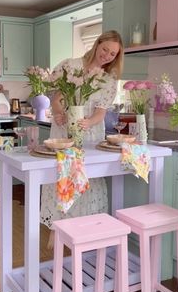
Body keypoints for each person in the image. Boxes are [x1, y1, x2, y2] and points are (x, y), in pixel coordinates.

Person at [40, 30, 124, 247]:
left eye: (113, 54)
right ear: (97, 44)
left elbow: (101, 112)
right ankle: (56, 229)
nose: (107, 55)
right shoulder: (69, 65)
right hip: (63, 132)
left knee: (86, 179)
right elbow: (56, 98)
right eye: (105, 49)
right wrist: (59, 112)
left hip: (90, 133)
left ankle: (85, 230)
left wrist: (88, 122)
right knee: (63, 177)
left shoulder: (109, 80)